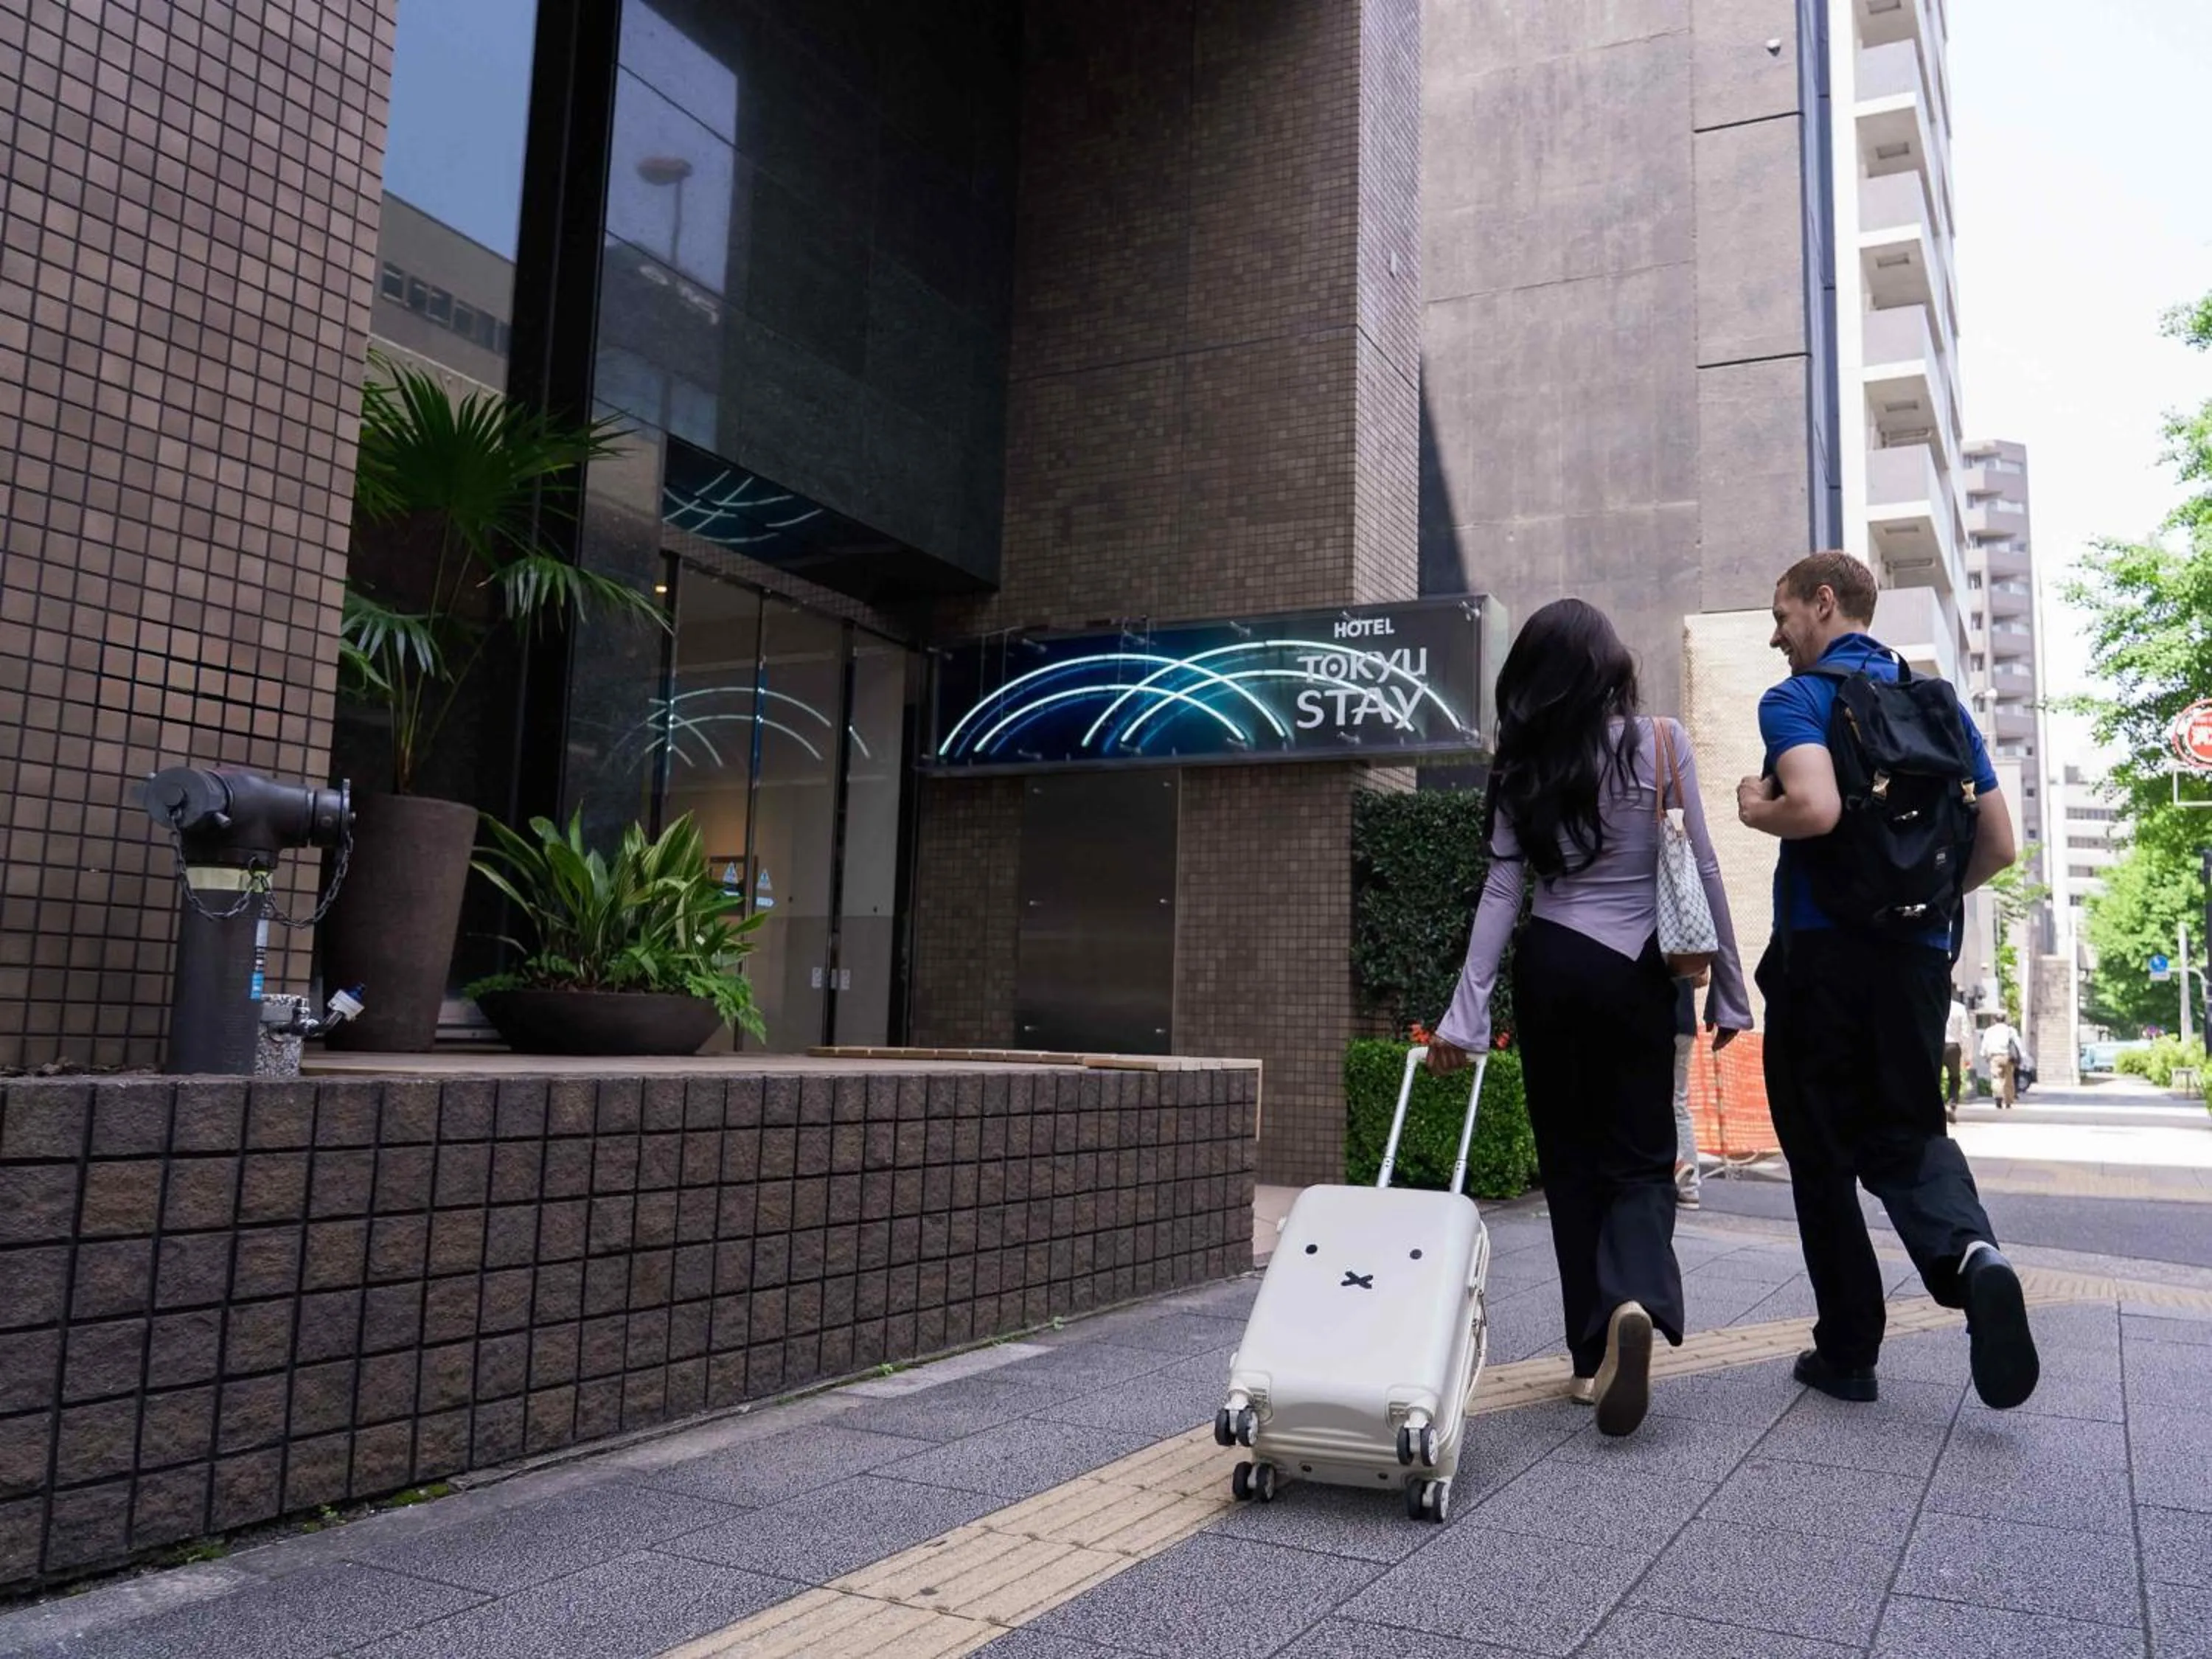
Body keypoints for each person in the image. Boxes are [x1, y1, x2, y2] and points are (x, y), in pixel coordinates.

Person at [1427, 599, 1752, 1438]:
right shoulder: (1663, 741)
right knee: (1640, 1161)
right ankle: (1632, 1300)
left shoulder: (1520, 762)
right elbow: (1703, 866)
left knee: (1570, 1167)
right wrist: (1729, 988)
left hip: (1553, 967)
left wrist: (1465, 1017)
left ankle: (1585, 1359)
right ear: (1611, 666)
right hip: (1639, 972)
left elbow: (1503, 888)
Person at [1737, 552, 2038, 1411]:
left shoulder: (1797, 699)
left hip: (1823, 959)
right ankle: (1972, 1257)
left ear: (1824, 603)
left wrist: (1756, 808)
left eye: (1783, 615)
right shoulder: (1939, 706)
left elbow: (1815, 806)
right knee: (1908, 1133)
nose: (1777, 635)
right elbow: (2000, 845)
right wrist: (1925, 908)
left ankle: (1849, 1352)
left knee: (1820, 1154)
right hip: (1915, 963)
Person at [1672, 978, 1702, 1208]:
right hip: (1686, 1023)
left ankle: (1677, 1164)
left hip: (1659, 1020)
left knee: (1651, 1099)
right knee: (1680, 1103)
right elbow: (1703, 977)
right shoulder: (1685, 951)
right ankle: (1690, 1187)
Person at [1981, 1014, 2022, 1109]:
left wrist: (1984, 1055)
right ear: (2005, 1020)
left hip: (1995, 1057)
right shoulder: (2010, 1030)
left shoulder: (1990, 1031)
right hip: (2008, 1057)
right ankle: (2008, 1102)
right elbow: (2018, 1044)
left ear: (1995, 1020)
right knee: (2009, 1080)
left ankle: (1998, 1098)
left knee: (1996, 1077)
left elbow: (1985, 1044)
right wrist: (2020, 1056)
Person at [1944, 992, 1971, 1123]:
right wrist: (1967, 1055)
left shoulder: (1933, 1003)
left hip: (1936, 1044)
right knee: (1955, 1078)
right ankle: (1951, 1104)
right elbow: (1965, 1033)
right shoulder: (1959, 1008)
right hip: (1953, 1047)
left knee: (1931, 1077)